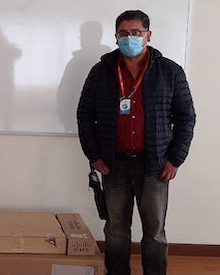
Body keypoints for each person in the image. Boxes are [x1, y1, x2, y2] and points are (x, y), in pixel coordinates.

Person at [77, 10, 195, 275]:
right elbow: (85, 115)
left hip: (154, 167)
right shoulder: (101, 72)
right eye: (124, 33)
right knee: (116, 230)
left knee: (155, 233)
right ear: (116, 37)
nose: (129, 37)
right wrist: (94, 155)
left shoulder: (170, 72)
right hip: (114, 165)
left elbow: (186, 118)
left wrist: (175, 159)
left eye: (136, 33)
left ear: (148, 36)